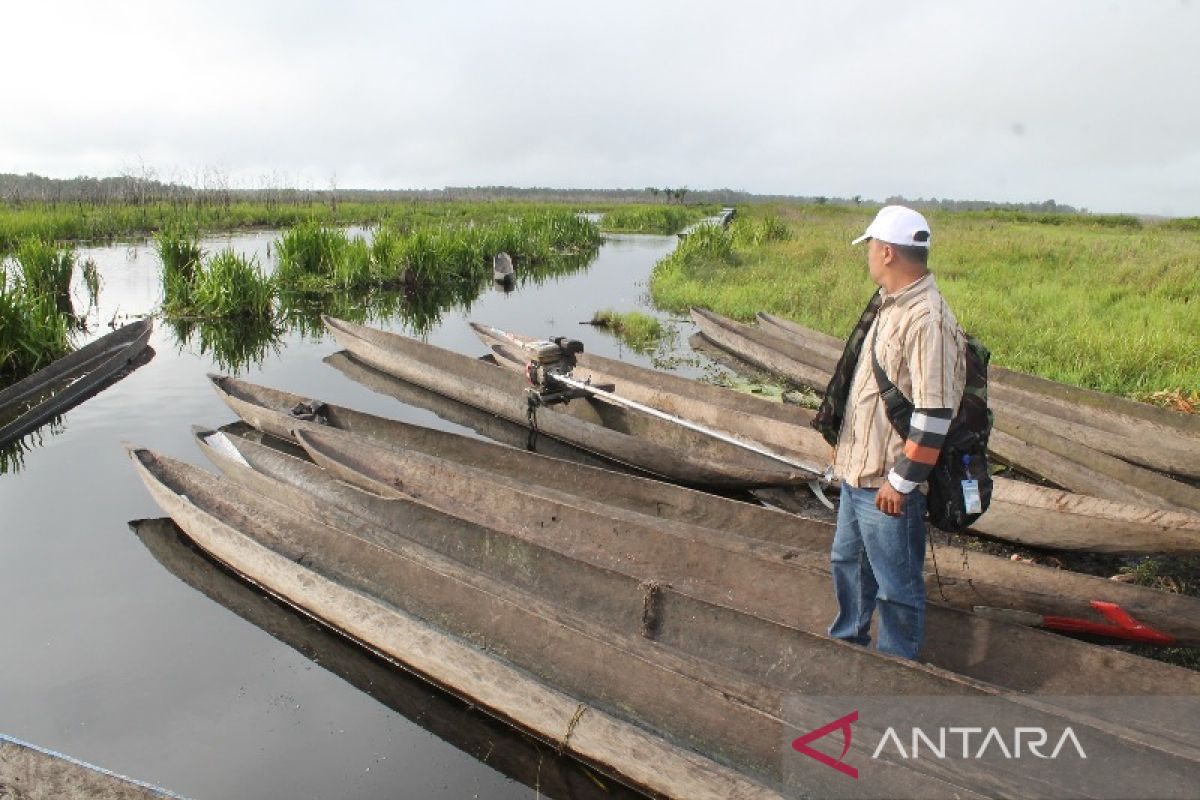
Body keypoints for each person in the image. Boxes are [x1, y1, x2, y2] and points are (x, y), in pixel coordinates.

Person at [825, 205, 967, 660]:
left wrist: (901, 480)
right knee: (848, 564)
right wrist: (844, 455)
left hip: (886, 484)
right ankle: (849, 643)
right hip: (857, 475)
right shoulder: (890, 305)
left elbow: (934, 412)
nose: (867, 254)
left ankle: (895, 666)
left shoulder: (927, 319)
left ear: (887, 252)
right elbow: (866, 394)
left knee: (896, 587)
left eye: (870, 246)